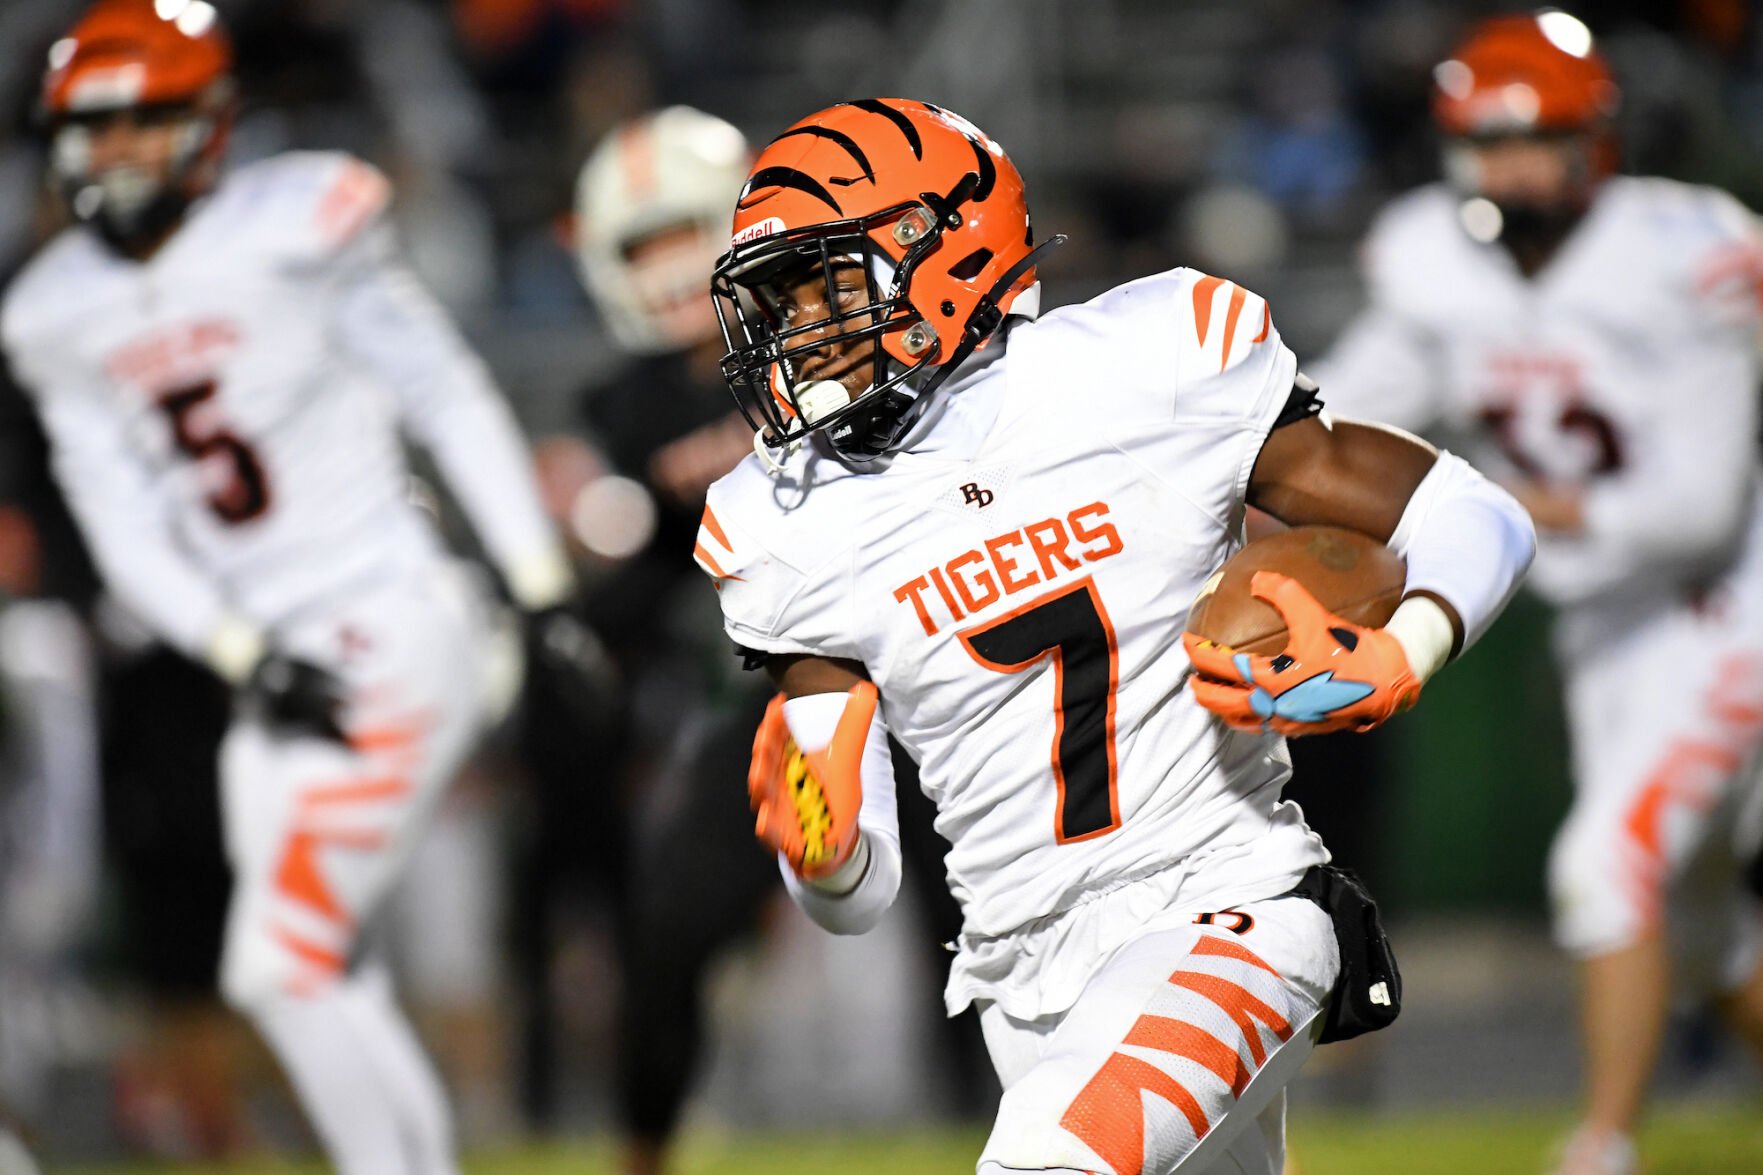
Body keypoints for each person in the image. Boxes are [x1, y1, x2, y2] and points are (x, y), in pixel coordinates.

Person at [694, 96, 1535, 1175]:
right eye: (778, 298)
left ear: (939, 251)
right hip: (1021, 982)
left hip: (1226, 908)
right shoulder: (782, 517)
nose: (796, 328)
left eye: (822, 281)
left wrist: (1405, 645)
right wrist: (822, 849)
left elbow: (1469, 510)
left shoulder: (1147, 362)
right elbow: (856, 898)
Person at [0, 3, 574, 1173]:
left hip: (389, 611)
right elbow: (120, 527)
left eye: (136, 126)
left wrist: (534, 580)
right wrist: (234, 648)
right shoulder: (50, 311)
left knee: (281, 959)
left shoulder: (297, 221)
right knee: (313, 970)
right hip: (269, 664)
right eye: (89, 131)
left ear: (209, 126)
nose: (108, 155)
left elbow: (445, 392)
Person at [1311, 12, 1763, 1174]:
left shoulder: (1683, 249)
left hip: (1714, 606)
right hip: (1599, 626)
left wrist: (1521, 503)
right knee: (1705, 928)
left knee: (1601, 866)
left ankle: (1599, 1145)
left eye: (1535, 140)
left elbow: (1698, 507)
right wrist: (1268, 456)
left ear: (1593, 140)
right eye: (1486, 142)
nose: (1508, 169)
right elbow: (1353, 402)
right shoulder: (1431, 260)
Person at [565, 105, 991, 1175]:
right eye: (640, 245)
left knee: (982, 915)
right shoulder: (629, 405)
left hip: (944, 657)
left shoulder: (860, 316)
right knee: (671, 928)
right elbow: (674, 558)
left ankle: (1007, 1132)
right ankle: (643, 1152)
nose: (666, 267)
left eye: (682, 233)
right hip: (795, 677)